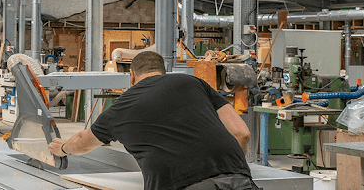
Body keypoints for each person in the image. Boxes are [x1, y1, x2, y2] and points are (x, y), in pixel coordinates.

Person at [48, 51, 259, 190]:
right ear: (163, 72)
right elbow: (242, 133)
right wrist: (232, 170)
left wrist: (63, 149)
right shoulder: (194, 83)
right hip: (239, 183)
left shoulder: (120, 108)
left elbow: (84, 141)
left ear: (131, 76)